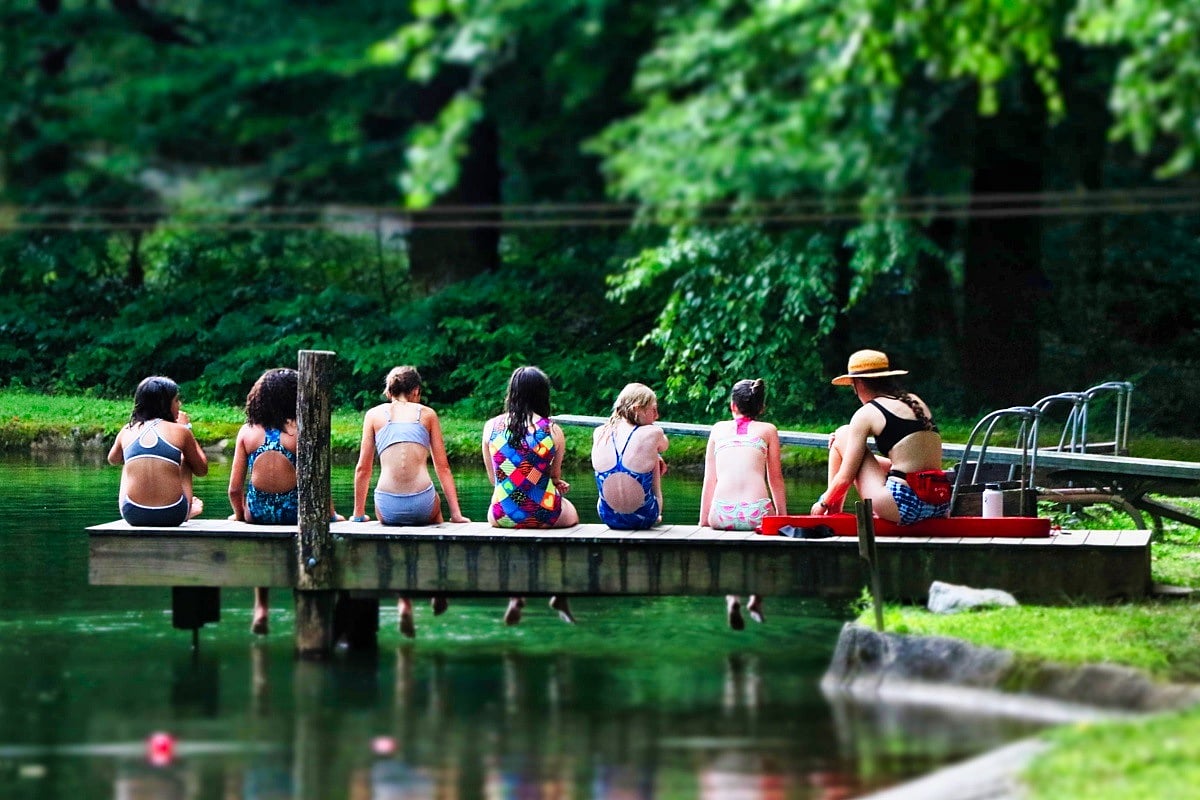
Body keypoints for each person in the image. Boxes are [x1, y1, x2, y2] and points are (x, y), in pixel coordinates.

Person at [352, 366, 470, 638]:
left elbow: (363, 469)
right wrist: (456, 514)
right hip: (423, 502)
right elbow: (443, 467)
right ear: (416, 391)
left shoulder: (373, 415)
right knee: (436, 525)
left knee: (396, 540)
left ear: (390, 391)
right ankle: (438, 590)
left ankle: (404, 602)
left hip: (386, 505)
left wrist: (358, 514)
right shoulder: (427, 414)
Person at [228, 367, 342, 636]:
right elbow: (318, 484)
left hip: (257, 513)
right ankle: (305, 602)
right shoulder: (301, 432)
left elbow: (234, 489)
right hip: (296, 513)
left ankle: (261, 608)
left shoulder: (247, 432)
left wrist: (240, 515)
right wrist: (332, 515)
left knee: (262, 542)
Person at [482, 366, 580, 625]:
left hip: (501, 513)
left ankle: (516, 597)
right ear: (541, 395)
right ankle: (558, 591)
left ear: (512, 393)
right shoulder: (552, 430)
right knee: (570, 516)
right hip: (543, 510)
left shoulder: (491, 427)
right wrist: (553, 484)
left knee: (517, 521)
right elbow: (554, 478)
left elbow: (495, 480)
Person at [810, 349, 951, 526]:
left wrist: (822, 502)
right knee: (844, 440)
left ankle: (832, 513)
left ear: (858, 383)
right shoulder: (915, 401)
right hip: (939, 504)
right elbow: (904, 466)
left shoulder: (866, 413)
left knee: (843, 433)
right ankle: (834, 513)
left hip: (903, 506)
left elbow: (846, 477)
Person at [698, 378, 787, 630]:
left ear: (732, 405)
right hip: (757, 512)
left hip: (721, 513)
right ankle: (755, 600)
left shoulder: (717, 429)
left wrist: (704, 520)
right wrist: (782, 517)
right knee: (761, 550)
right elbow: (776, 479)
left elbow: (710, 479)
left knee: (730, 553)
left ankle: (732, 600)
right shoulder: (768, 430)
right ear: (761, 408)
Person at [108, 376, 207, 527]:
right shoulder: (181, 431)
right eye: (176, 400)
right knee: (185, 459)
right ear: (165, 404)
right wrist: (187, 429)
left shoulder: (127, 430)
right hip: (173, 514)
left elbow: (113, 459)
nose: (179, 404)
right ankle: (187, 509)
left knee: (127, 460)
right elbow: (201, 470)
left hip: (133, 514)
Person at [592, 383, 669, 530]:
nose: (657, 415)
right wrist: (654, 455)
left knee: (651, 456)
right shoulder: (654, 432)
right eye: (653, 409)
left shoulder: (599, 432)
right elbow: (664, 445)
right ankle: (656, 512)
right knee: (655, 456)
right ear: (637, 409)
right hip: (645, 518)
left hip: (608, 516)